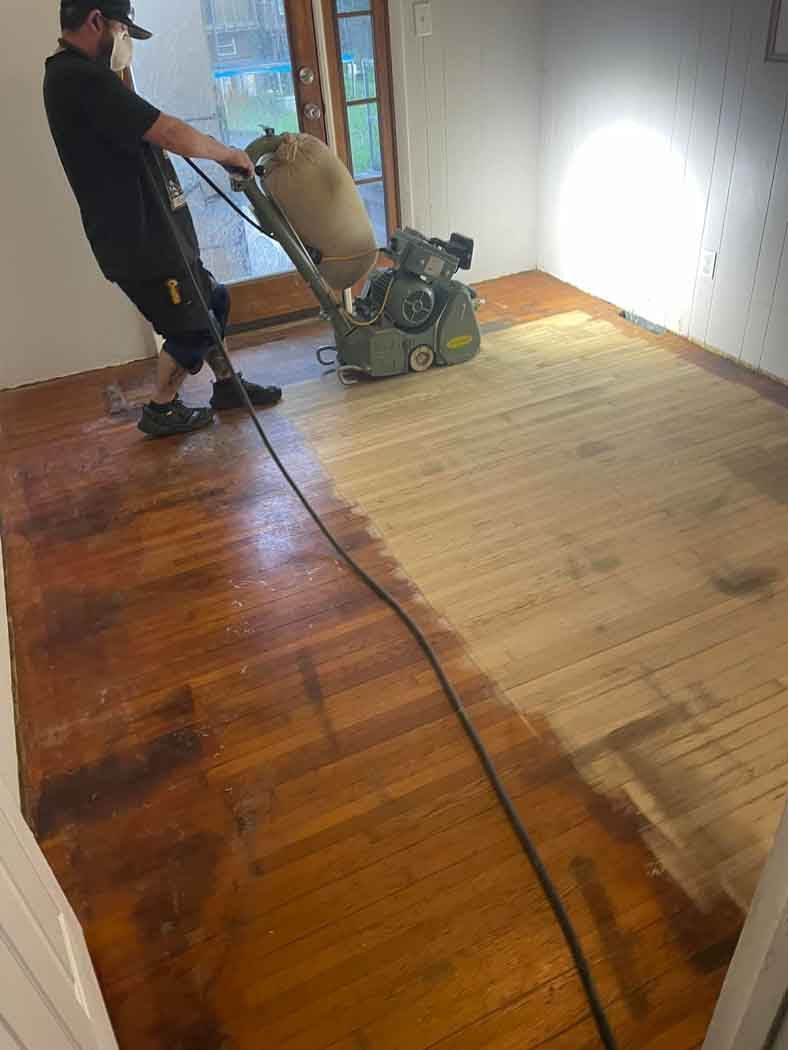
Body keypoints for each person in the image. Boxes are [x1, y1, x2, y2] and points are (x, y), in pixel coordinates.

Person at [43, 0, 282, 438]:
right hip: (138, 239)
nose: (125, 43)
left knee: (214, 301)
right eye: (122, 31)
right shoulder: (76, 78)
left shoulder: (86, 76)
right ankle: (161, 408)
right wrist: (228, 154)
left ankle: (227, 385)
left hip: (159, 227)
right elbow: (167, 131)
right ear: (97, 21)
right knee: (190, 327)